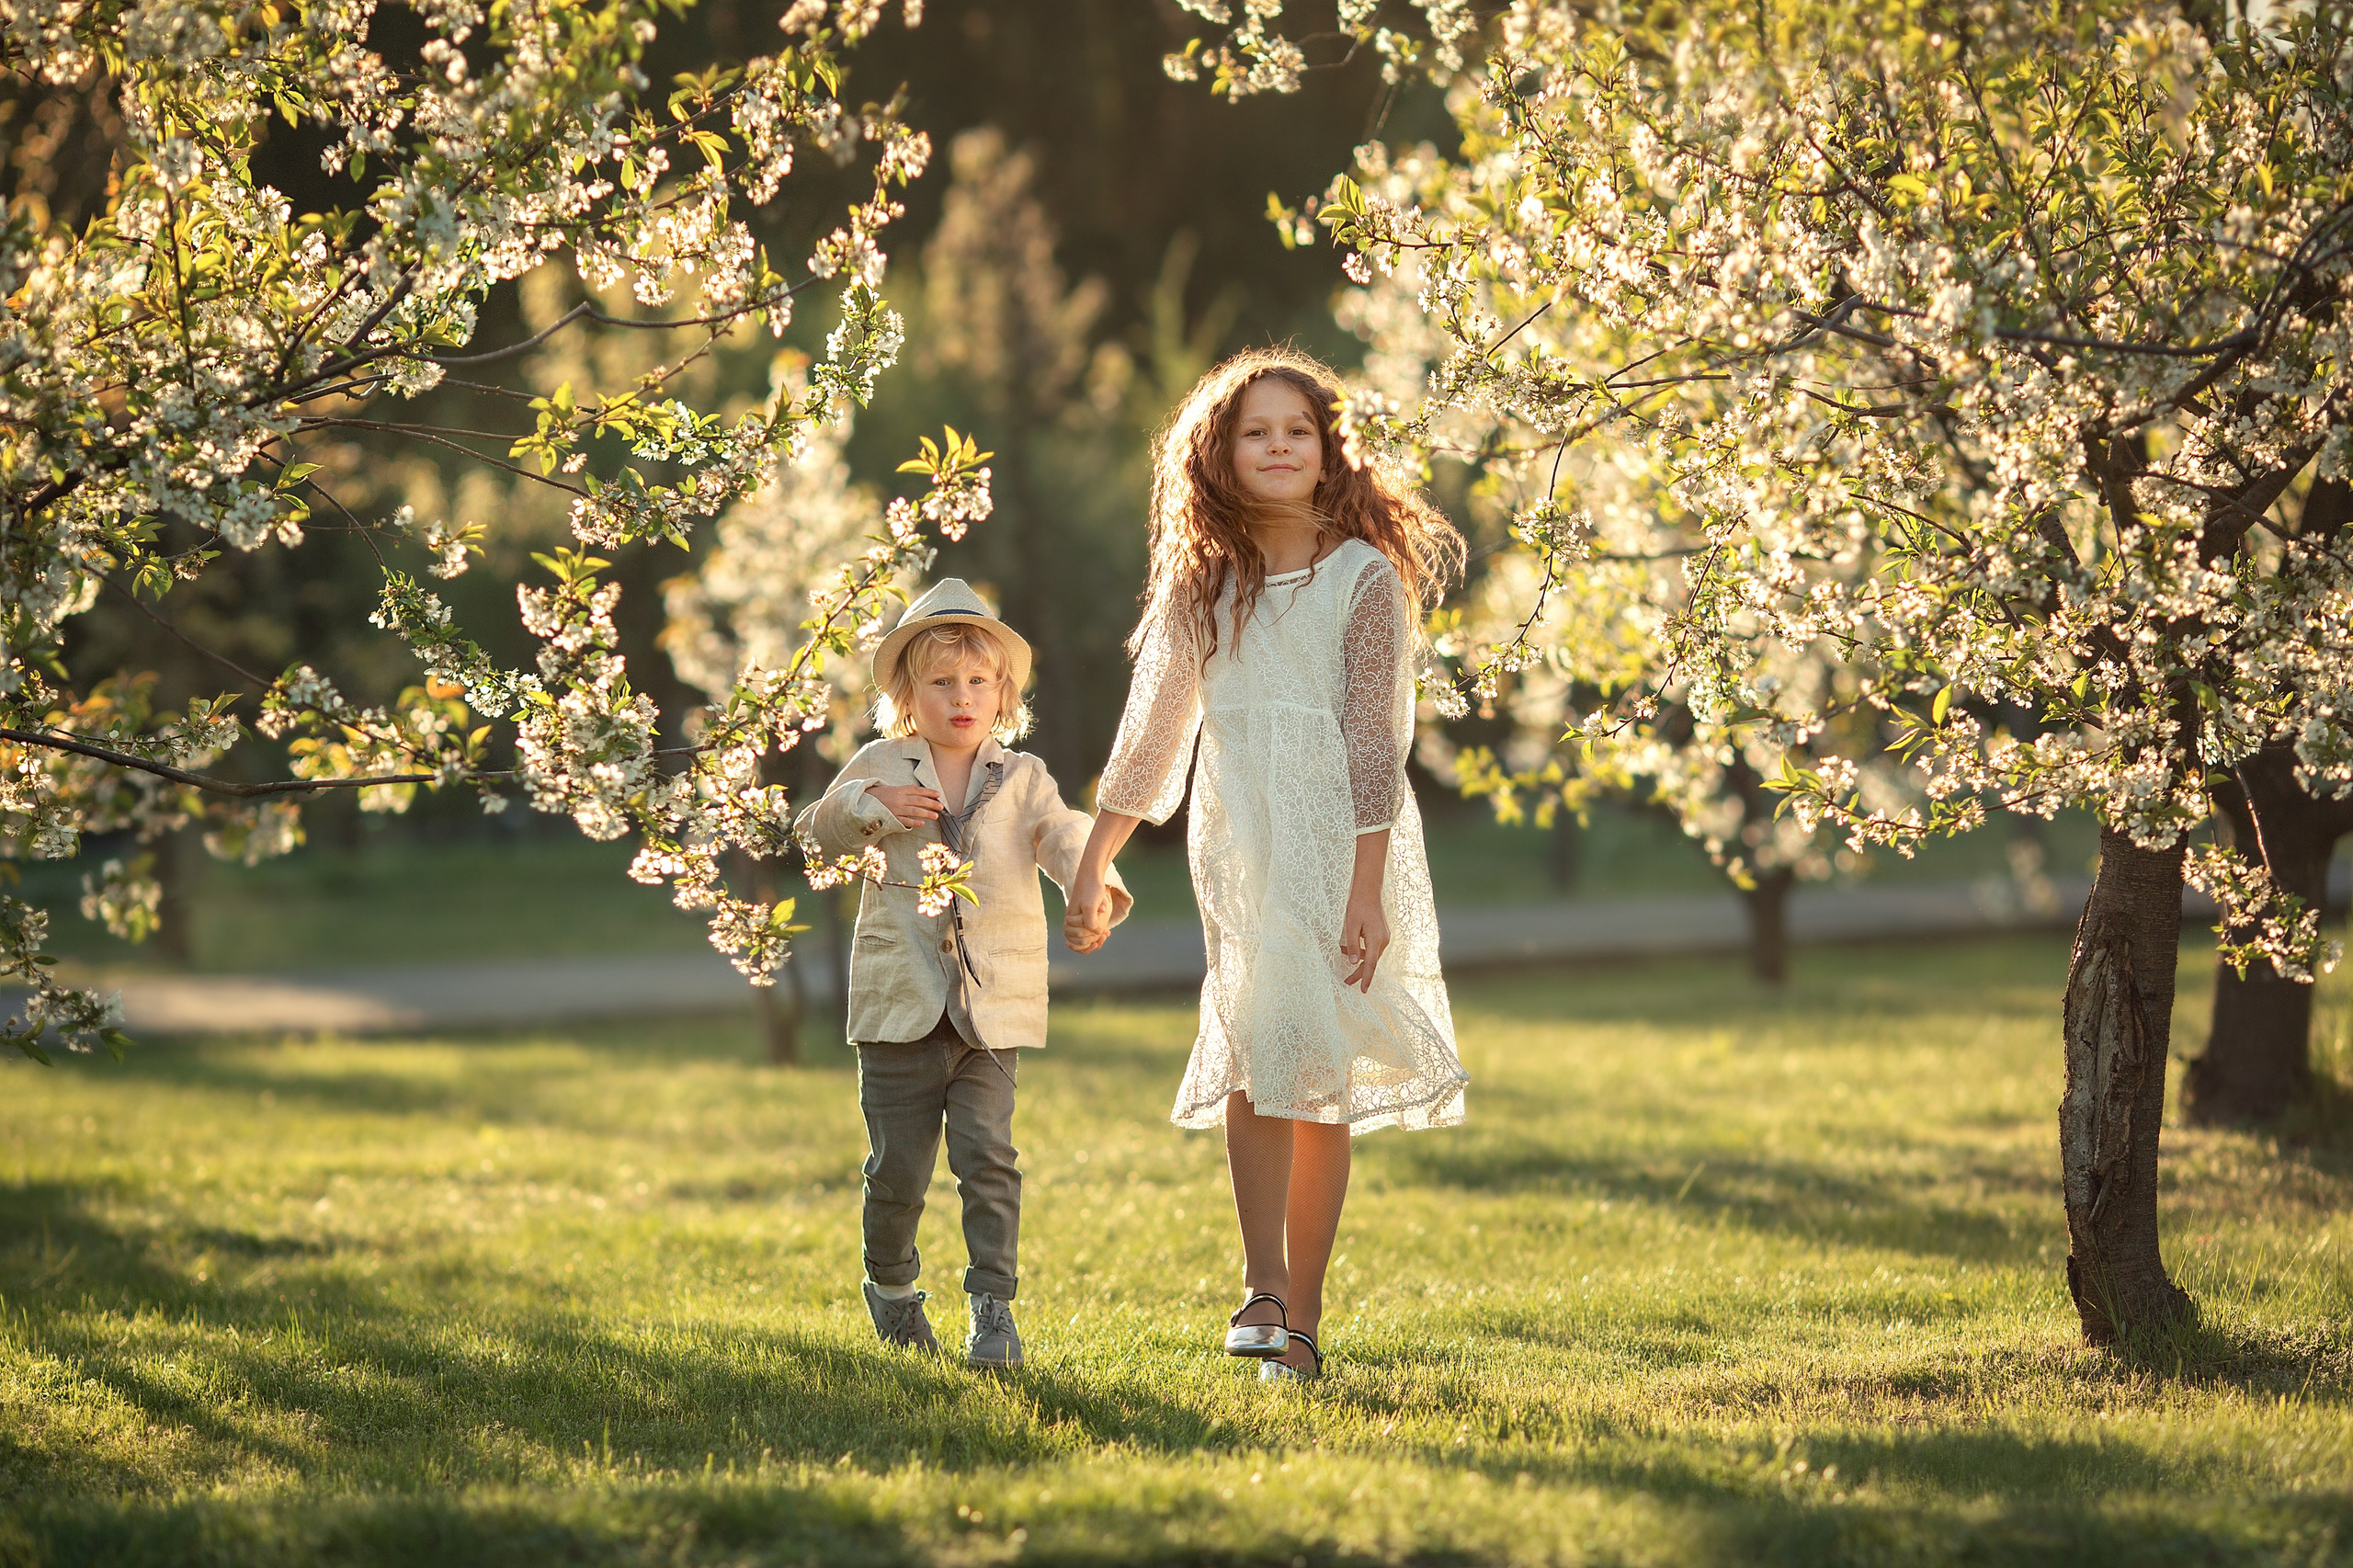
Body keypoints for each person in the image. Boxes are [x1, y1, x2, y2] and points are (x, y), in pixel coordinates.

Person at [1062, 348, 1468, 1382]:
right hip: (1240, 838)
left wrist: (1366, 889)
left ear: (1331, 449)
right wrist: (1095, 858)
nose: (1279, 446)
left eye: (1299, 430)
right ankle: (1262, 1284)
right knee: (1254, 1045)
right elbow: (1153, 729)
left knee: (1313, 1066)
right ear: (1220, 453)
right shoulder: (1204, 582)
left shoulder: (1363, 577)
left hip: (1340, 842)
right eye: (1256, 432)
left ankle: (1302, 1321)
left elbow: (1374, 742)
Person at [796, 579, 1130, 1369]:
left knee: (989, 1161)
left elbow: (1063, 833)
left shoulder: (1022, 776)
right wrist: (872, 802)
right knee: (898, 1172)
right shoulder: (882, 764)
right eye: (942, 682)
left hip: (990, 1011)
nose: (962, 697)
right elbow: (815, 833)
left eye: (979, 682)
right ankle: (892, 1288)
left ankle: (993, 1310)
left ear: (1004, 695)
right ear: (908, 697)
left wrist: (1092, 889)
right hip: (900, 1008)